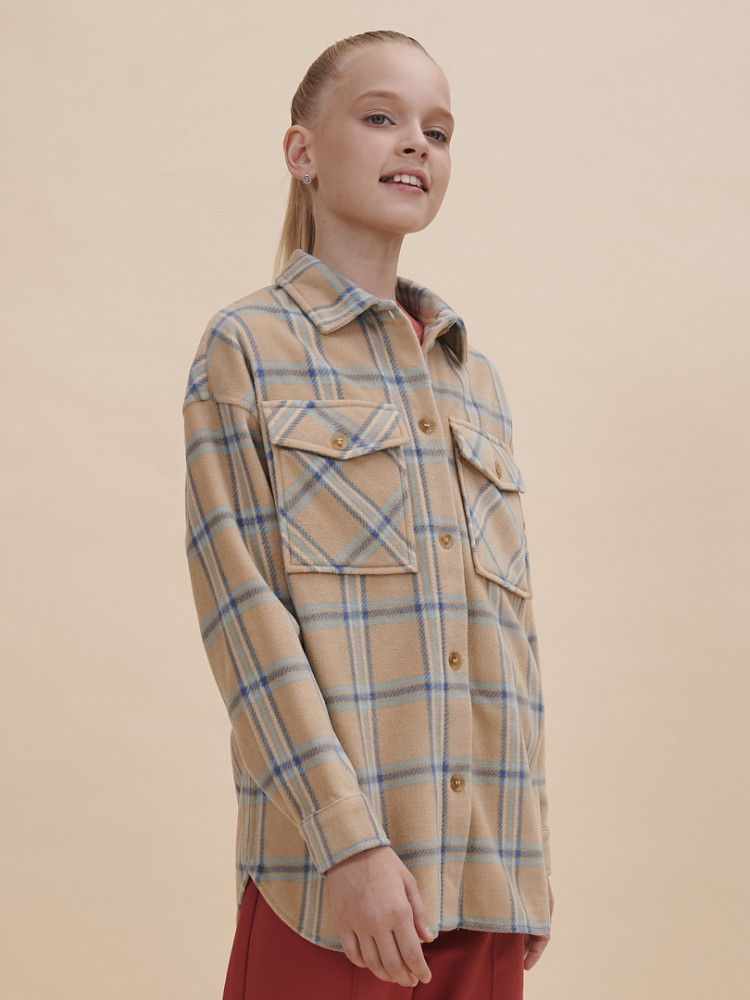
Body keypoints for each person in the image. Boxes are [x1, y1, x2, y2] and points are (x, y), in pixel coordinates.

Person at [183, 29, 553, 1000]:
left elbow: (510, 640)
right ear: (302, 151)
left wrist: (529, 862)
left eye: (438, 130)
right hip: (330, 893)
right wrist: (347, 845)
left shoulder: (474, 380)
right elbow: (247, 621)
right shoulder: (248, 348)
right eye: (382, 117)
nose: (416, 144)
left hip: (484, 892)